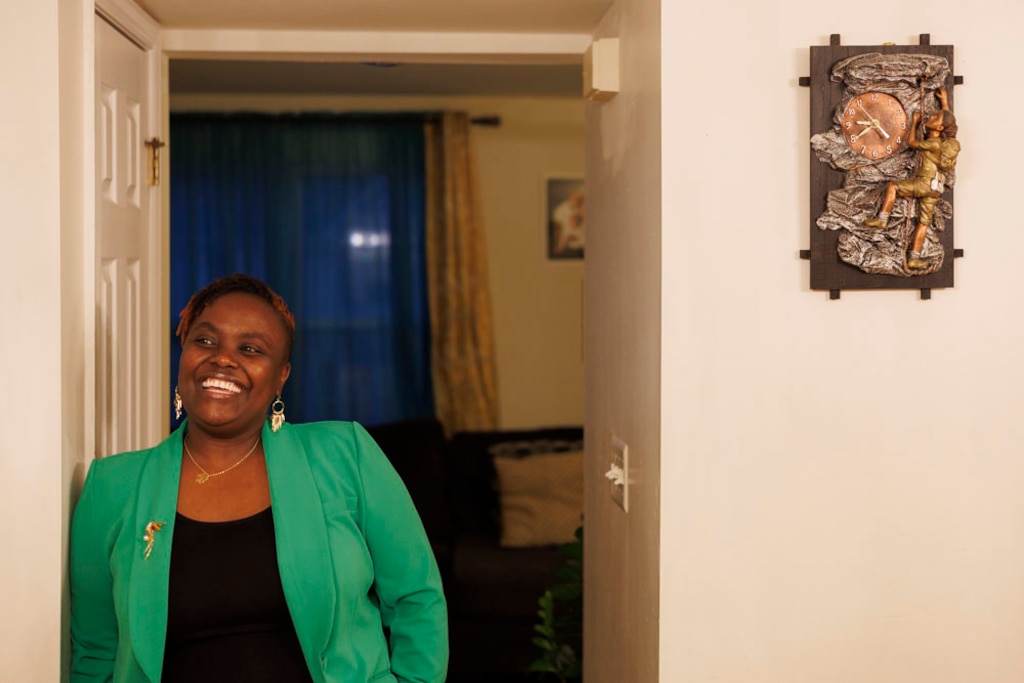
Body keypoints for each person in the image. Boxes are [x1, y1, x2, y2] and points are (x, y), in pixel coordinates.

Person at [70, 273, 448, 683]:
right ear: (184, 354)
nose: (224, 359)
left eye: (250, 349)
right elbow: (96, 652)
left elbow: (416, 598)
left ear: (281, 375)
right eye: (206, 341)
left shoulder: (345, 454)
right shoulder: (111, 488)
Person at [863, 86, 960, 270]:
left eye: (935, 117)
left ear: (939, 128)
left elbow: (911, 143)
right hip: (936, 188)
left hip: (924, 183)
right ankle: (914, 257)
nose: (930, 116)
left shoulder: (931, 143)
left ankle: (882, 219)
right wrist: (945, 101)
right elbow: (948, 120)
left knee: (893, 187)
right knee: (923, 223)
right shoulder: (944, 143)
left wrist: (915, 122)